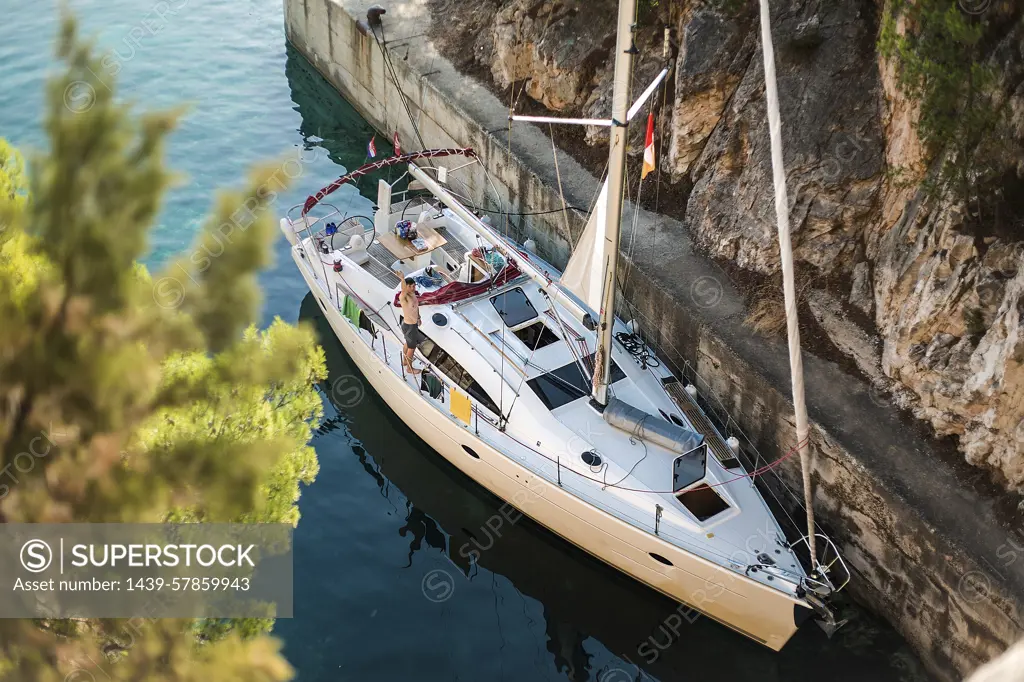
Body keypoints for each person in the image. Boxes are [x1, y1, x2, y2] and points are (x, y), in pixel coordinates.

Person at [399, 277, 425, 375]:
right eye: (412, 286)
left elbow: (416, 307)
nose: (414, 288)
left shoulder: (413, 294)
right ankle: (409, 368)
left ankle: (405, 361)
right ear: (407, 287)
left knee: (408, 343)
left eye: (415, 286)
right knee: (412, 348)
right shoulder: (404, 297)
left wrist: (418, 317)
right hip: (409, 326)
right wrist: (402, 278)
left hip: (412, 324)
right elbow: (403, 289)